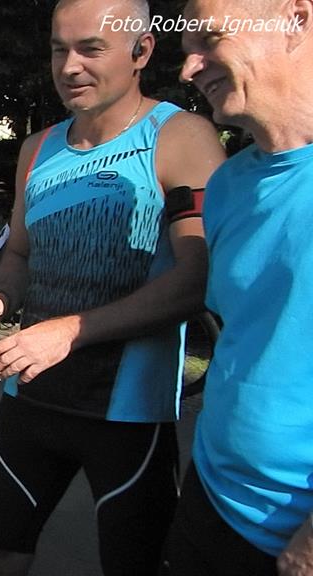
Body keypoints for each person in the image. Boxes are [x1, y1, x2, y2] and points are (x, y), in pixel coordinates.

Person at [0, 0, 226, 574]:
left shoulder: (182, 137)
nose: (70, 66)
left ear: (142, 51)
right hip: (30, 399)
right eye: (60, 49)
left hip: (127, 416)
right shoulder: (37, 149)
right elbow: (19, 255)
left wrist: (71, 332)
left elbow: (196, 278)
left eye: (91, 49)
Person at [163, 1, 313, 574]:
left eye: (209, 39)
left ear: (296, 20)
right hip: (211, 495)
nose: (189, 68)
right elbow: (243, 338)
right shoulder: (228, 184)